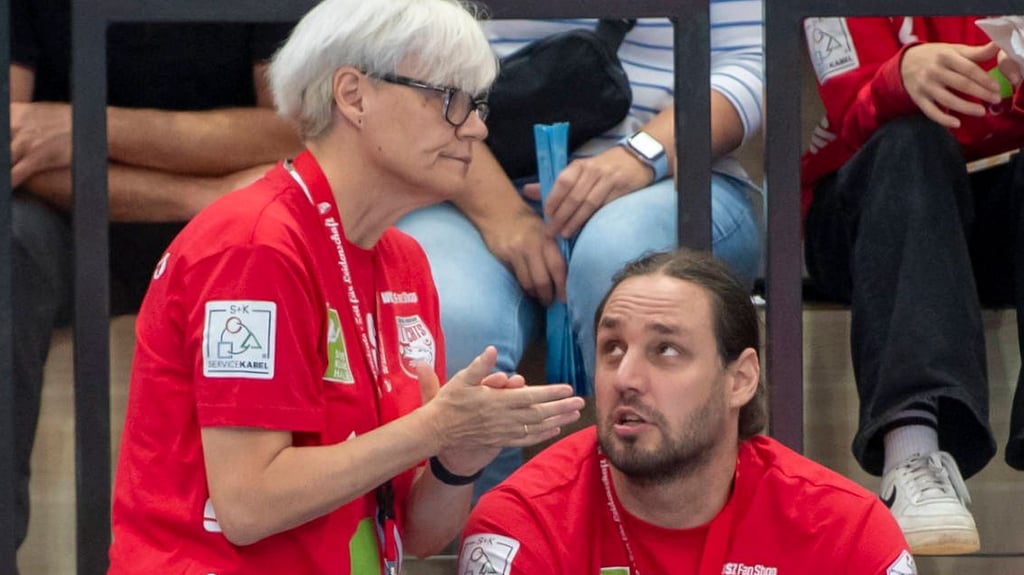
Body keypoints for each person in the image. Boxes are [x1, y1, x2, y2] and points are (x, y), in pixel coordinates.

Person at [106, 0, 585, 573]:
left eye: (477, 104)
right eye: (450, 99)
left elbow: (415, 533)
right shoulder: (253, 243)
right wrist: (434, 427)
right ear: (353, 96)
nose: (477, 127)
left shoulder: (405, 261)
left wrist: (456, 459)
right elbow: (248, 503)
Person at [397, 8, 765, 499]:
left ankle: (637, 526)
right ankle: (491, 537)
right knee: (452, 314)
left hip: (674, 171)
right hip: (467, 177)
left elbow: (752, 64)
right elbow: (405, 68)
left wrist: (643, 154)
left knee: (621, 270)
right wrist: (500, 210)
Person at [9, 0, 303, 569]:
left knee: (279, 230)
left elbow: (293, 129)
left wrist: (85, 124)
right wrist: (195, 198)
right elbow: (16, 143)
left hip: (241, 225)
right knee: (11, 240)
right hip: (73, 219)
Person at [458, 248, 917, 574]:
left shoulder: (846, 532)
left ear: (740, 379)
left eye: (667, 350)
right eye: (612, 348)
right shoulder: (523, 525)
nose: (626, 378)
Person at [801, 16, 1024, 555]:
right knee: (911, 143)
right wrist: (899, 77)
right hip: (864, 210)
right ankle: (911, 450)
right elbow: (850, 111)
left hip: (989, 212)